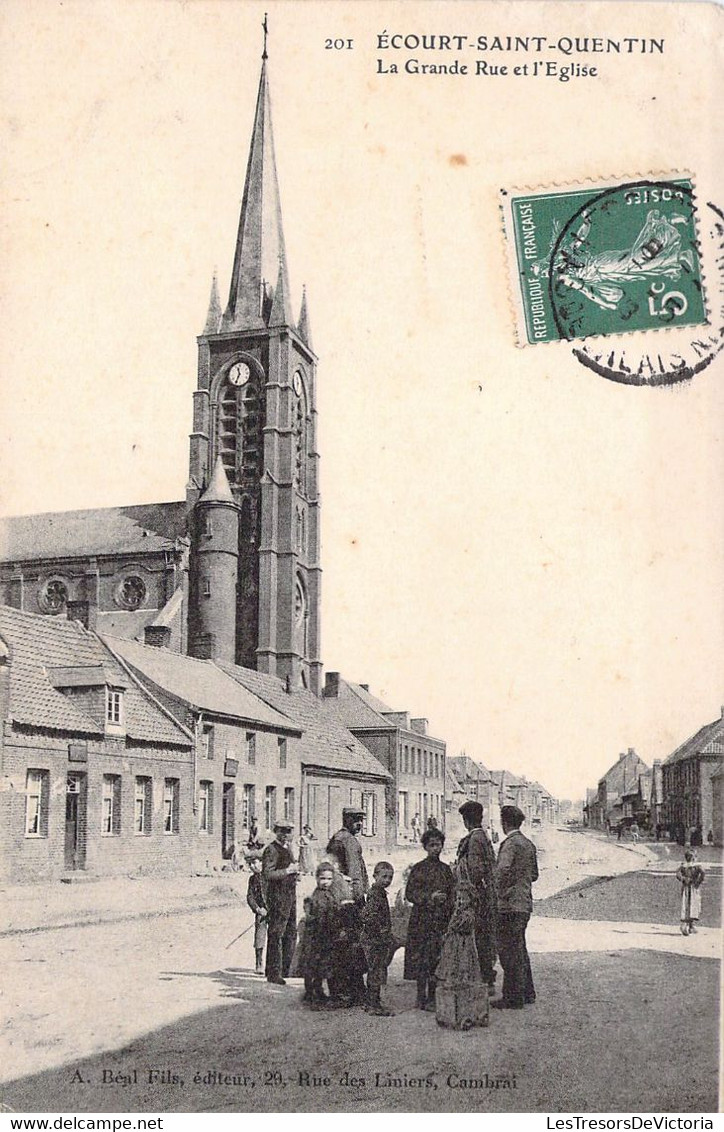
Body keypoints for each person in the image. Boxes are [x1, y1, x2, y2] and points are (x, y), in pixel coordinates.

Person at [492, 804, 539, 1010]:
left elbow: (501, 872)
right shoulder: (528, 844)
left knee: (509, 951)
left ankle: (512, 997)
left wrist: (496, 888)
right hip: (524, 904)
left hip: (509, 905)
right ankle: (527, 992)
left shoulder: (510, 844)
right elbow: (535, 875)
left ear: (505, 823)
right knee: (519, 948)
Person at [404, 828, 455, 1010]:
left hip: (439, 921)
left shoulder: (446, 870)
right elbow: (410, 893)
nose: (436, 848)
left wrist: (447, 906)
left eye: (438, 845)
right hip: (421, 920)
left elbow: (452, 894)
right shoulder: (418, 869)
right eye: (432, 845)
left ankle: (433, 997)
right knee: (420, 958)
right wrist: (429, 897)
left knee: (436, 958)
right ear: (425, 847)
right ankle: (420, 995)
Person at [326, 807, 369, 1004]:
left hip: (338, 897)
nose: (359, 824)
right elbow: (354, 875)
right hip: (350, 899)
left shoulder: (337, 838)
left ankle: (342, 988)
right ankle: (353, 989)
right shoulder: (348, 841)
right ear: (347, 819)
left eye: (361, 820)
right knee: (351, 944)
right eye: (356, 820)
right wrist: (359, 899)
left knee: (341, 943)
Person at [456, 800, 498, 990]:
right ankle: (486, 977)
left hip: (477, 896)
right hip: (486, 894)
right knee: (485, 936)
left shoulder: (474, 839)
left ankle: (485, 979)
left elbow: (475, 871)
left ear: (466, 821)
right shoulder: (484, 836)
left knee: (480, 937)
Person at [302, 861, 346, 1009]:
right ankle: (315, 996)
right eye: (322, 879)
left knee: (327, 966)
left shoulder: (330, 893)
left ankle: (322, 994)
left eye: (329, 879)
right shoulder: (317, 896)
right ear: (316, 878)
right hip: (319, 937)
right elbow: (321, 917)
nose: (326, 882)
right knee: (318, 967)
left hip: (327, 935)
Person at [261, 820, 299, 985]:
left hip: (290, 897)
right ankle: (273, 972)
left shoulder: (288, 848)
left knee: (290, 933)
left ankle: (285, 969)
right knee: (276, 934)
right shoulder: (271, 849)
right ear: (276, 832)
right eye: (282, 831)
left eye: (289, 831)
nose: (286, 835)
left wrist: (295, 875)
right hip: (277, 898)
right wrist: (287, 871)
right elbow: (268, 874)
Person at [360, 861, 395, 1016]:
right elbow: (367, 916)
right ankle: (373, 1004)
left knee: (377, 970)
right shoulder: (375, 895)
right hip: (374, 940)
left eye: (390, 877)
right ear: (375, 876)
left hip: (378, 938)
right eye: (384, 876)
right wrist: (380, 930)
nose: (387, 880)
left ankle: (372, 1001)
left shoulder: (379, 893)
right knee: (375, 971)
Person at [245, 857, 268, 975]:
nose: (252, 866)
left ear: (262, 862)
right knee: (259, 935)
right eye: (249, 864)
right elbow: (250, 897)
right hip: (261, 913)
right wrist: (258, 909)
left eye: (254, 863)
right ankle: (259, 963)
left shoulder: (270, 876)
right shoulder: (252, 879)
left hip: (274, 911)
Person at [676, 849, 705, 935]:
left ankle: (690, 925)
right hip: (693, 888)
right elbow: (703, 873)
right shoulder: (697, 866)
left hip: (686, 887)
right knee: (692, 904)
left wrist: (683, 879)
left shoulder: (683, 866)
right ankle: (687, 924)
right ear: (693, 858)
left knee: (687, 904)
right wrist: (698, 882)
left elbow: (677, 874)